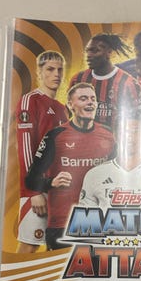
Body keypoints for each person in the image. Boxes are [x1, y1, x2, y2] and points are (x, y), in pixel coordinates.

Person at [25, 83, 115, 249]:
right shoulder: (55, 136)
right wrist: (51, 182)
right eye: (83, 98)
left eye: (93, 99)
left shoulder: (108, 134)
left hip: (100, 224)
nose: (90, 102)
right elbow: (31, 180)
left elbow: (118, 174)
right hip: (62, 225)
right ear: (70, 105)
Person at [15, 51, 67, 253]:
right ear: (39, 72)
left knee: (55, 248)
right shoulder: (30, 101)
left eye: (60, 70)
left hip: (57, 189)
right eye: (50, 69)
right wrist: (34, 191)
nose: (56, 74)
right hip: (37, 188)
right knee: (30, 244)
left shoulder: (62, 108)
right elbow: (26, 147)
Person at [79, 114, 141, 210]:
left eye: (135, 131)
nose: (130, 136)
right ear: (115, 135)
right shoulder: (94, 175)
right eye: (124, 131)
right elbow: (85, 218)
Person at [69, 33, 141, 130]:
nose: (89, 55)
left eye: (95, 51)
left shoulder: (128, 83)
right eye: (87, 51)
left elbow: (138, 118)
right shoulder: (78, 79)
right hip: (82, 138)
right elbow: (68, 112)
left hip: (113, 138)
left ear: (109, 52)